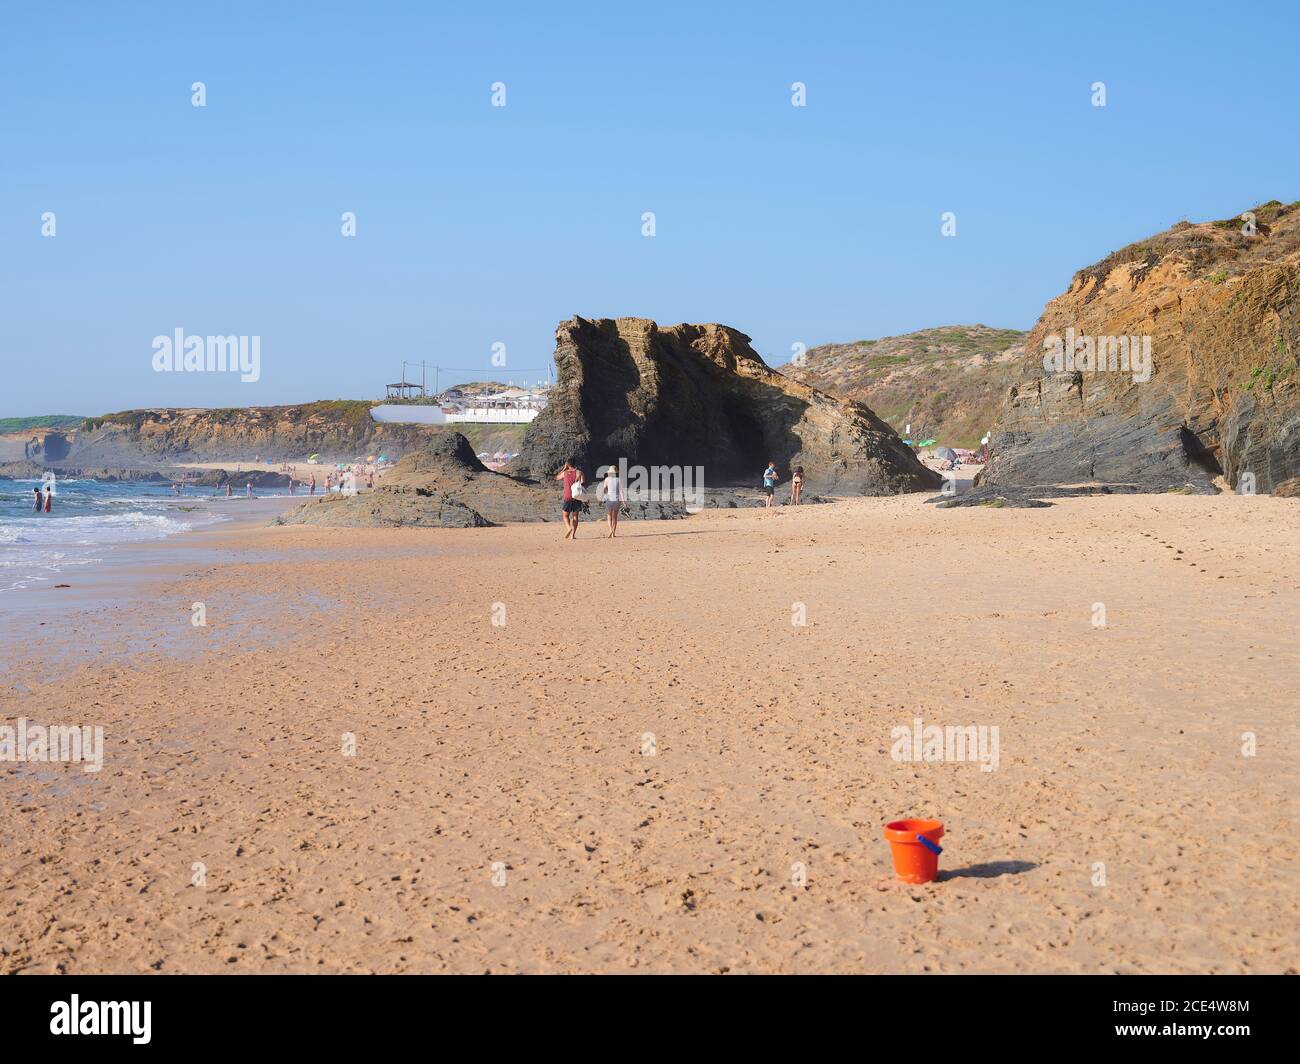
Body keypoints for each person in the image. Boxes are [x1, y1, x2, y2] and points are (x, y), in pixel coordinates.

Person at [555, 460, 582, 539]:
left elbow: (556, 477)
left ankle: (568, 528)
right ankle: (572, 535)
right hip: (576, 496)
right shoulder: (579, 472)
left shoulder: (565, 473)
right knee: (575, 516)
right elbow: (583, 482)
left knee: (565, 516)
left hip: (567, 496)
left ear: (567, 464)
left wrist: (564, 469)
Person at [599, 464, 625, 538]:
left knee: (609, 515)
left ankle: (610, 530)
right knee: (615, 517)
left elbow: (604, 490)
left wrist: (601, 500)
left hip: (609, 499)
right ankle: (613, 533)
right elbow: (621, 492)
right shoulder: (619, 479)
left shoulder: (607, 479)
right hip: (617, 500)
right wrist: (623, 502)